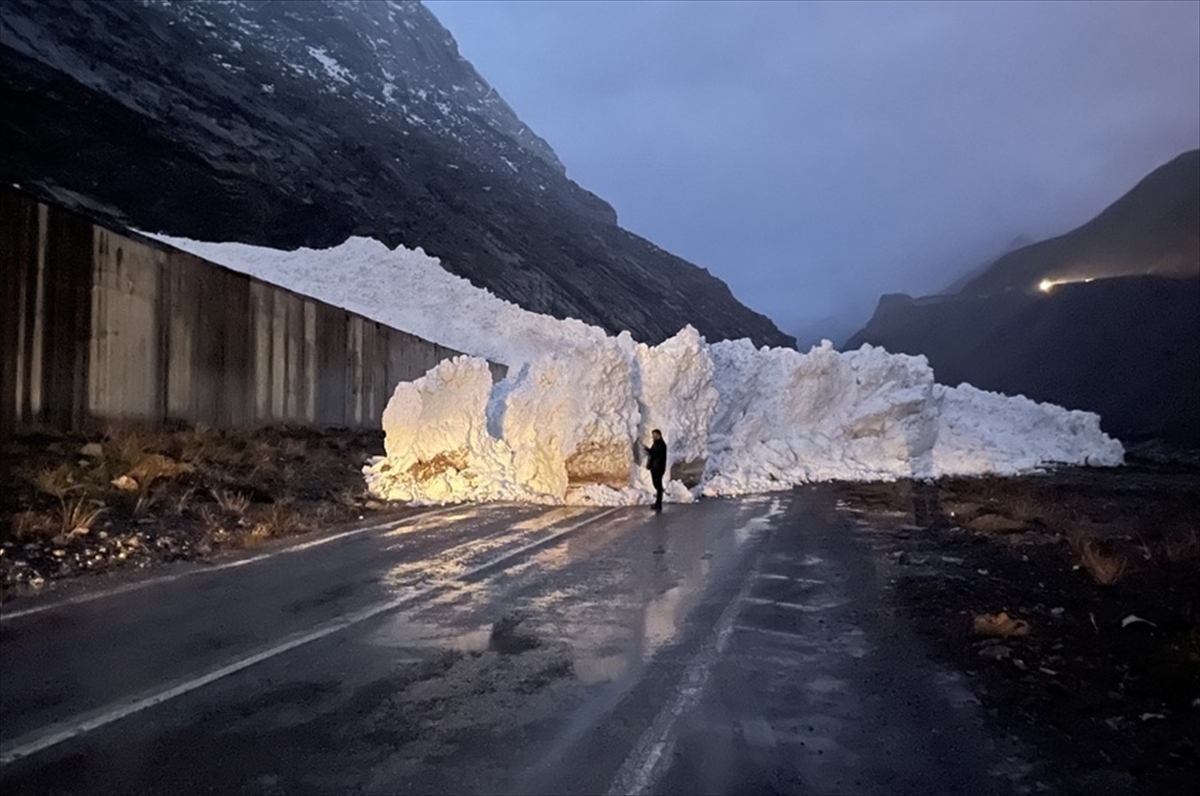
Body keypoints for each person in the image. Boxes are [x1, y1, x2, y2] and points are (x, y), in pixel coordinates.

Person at [643, 429, 667, 512]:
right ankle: (657, 503)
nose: (653, 437)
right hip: (654, 467)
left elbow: (657, 454)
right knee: (656, 485)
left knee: (658, 486)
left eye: (655, 435)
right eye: (653, 435)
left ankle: (658, 504)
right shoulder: (656, 444)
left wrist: (648, 451)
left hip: (658, 468)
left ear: (659, 435)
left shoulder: (661, 444)